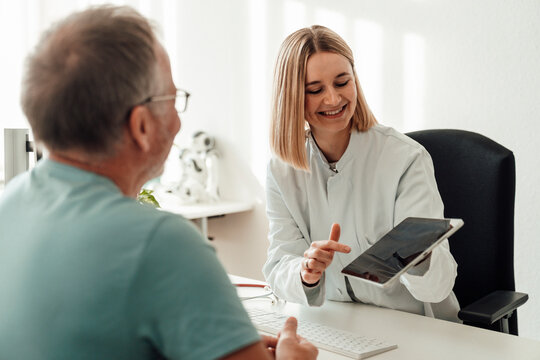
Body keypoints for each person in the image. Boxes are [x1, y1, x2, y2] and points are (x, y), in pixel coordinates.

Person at [0, 6, 317, 360]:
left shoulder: (8, 205)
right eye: (173, 100)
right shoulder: (161, 243)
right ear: (141, 126)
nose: (179, 123)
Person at [263, 25, 460, 322]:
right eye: (315, 90)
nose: (333, 99)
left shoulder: (405, 158)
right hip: (335, 319)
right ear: (291, 97)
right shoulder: (282, 171)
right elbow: (279, 264)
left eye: (342, 82)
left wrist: (419, 259)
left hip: (411, 323)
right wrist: (305, 272)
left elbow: (438, 287)